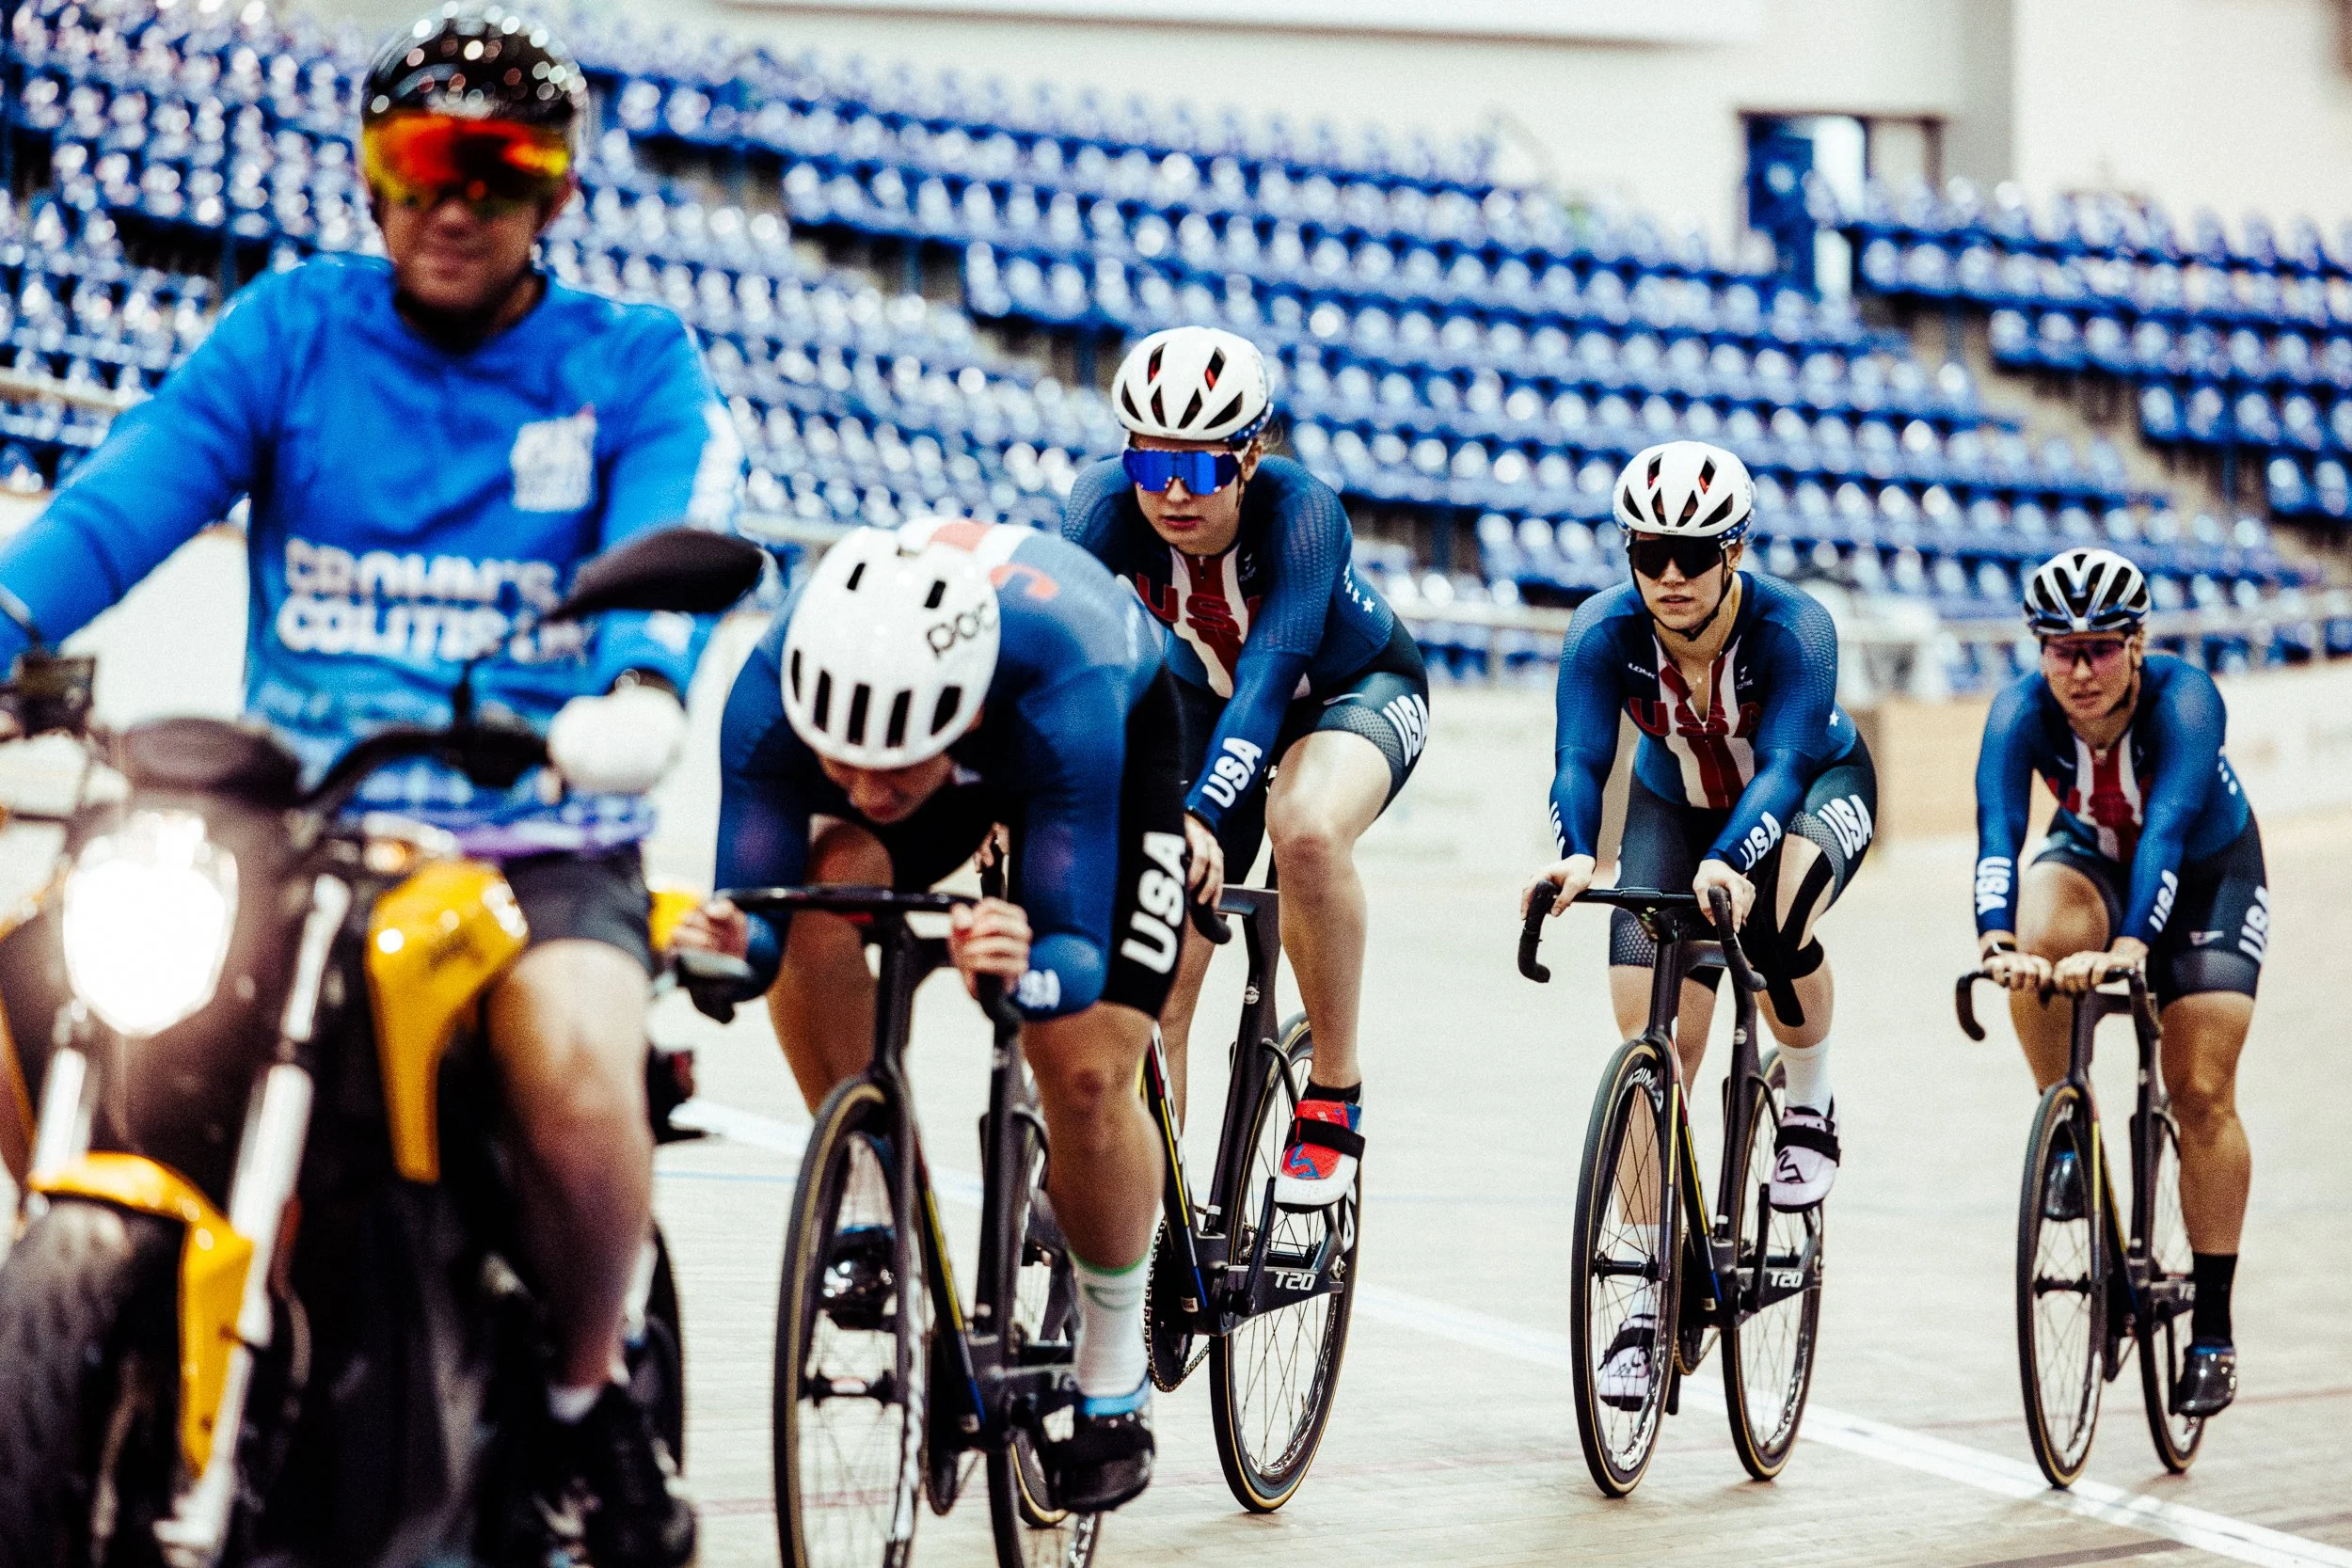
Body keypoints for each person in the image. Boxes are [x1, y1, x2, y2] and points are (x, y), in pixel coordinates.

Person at [0, 9, 739, 1561]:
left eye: (494, 168)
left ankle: (587, 1400)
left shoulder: (628, 361)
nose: (452, 202)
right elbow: (129, 492)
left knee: (573, 1061)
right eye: (418, 167)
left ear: (554, 193)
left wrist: (640, 686)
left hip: (536, 829)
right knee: (37, 970)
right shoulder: (292, 329)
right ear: (374, 180)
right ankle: (127, 1296)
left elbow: (674, 523)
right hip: (299, 823)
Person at [671, 518, 1185, 1513]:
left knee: (1080, 1066)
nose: (862, 787)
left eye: (888, 769)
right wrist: (730, 951)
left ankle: (1111, 1363)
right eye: (840, 763)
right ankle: (870, 1195)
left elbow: (1071, 957)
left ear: (947, 722)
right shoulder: (771, 693)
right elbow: (761, 924)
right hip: (952, 746)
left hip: (1086, 743)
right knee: (821, 892)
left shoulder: (1068, 677)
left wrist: (1011, 971)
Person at [1521, 440, 1876, 1403]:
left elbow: (1785, 763)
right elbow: (1578, 759)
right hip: (1671, 809)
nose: (1668, 575)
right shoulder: (1603, 631)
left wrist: (1738, 857)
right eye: (1647, 552)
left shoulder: (1793, 626)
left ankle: (1807, 1094)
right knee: (1654, 1047)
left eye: (1691, 552)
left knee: (1774, 922)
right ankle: (1639, 1291)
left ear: (1734, 550)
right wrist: (1571, 852)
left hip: (1803, 791)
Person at [1059, 325, 1430, 1208]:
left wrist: (1201, 809)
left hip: (1344, 690)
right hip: (1204, 696)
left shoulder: (1304, 515)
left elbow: (1269, 681)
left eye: (1204, 467)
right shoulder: (1098, 511)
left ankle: (1333, 1092)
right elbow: (1063, 661)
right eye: (1153, 467)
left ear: (1252, 454)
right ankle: (1147, 1240)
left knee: (1301, 830)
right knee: (1162, 988)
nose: (1176, 494)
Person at [1972, 546, 2258, 1418]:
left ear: (2137, 645)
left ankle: (2212, 1323)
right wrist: (1992, 938)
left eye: (2101, 647)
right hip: (2090, 856)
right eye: (2063, 649)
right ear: (2040, 651)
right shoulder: (2019, 710)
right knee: (2038, 944)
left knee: (2201, 1089)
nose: (2082, 669)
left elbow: (2167, 828)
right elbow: (1997, 830)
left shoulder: (2188, 700)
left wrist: (2135, 943)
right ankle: (2066, 1125)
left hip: (2207, 870)